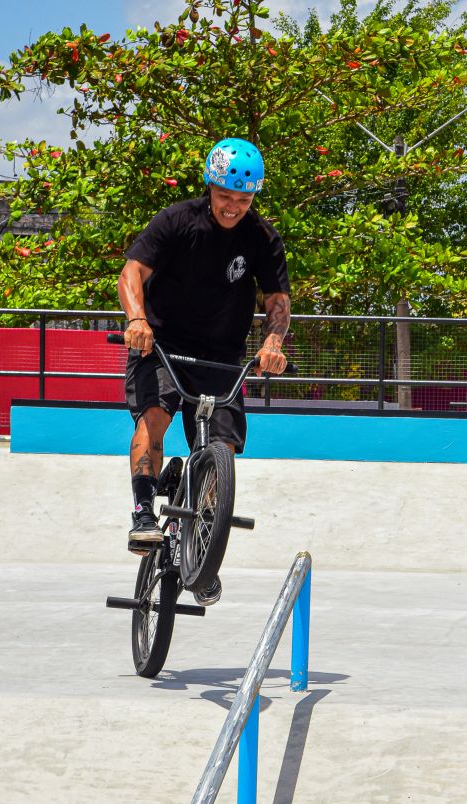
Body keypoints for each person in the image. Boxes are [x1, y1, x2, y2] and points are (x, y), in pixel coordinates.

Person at [117, 137, 291, 606]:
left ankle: (202, 551)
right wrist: (136, 320)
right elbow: (131, 273)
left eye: (244, 198)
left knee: (223, 448)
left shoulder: (261, 237)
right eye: (225, 197)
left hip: (221, 356)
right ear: (210, 187)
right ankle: (142, 513)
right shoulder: (176, 221)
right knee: (154, 417)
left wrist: (273, 342)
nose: (234, 207)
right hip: (161, 344)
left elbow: (277, 300)